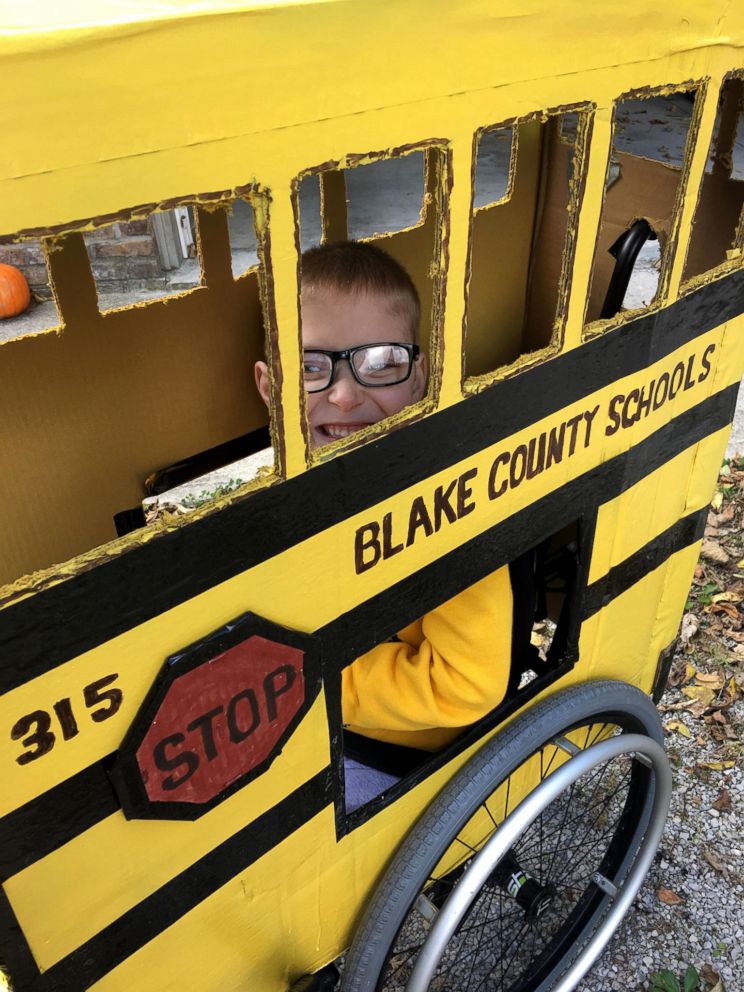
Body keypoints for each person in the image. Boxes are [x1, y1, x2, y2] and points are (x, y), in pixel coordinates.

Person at [255, 241, 512, 809]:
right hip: (307, 718)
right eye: (309, 367)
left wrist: (308, 684)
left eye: (381, 363)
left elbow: (466, 684)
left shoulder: (449, 505)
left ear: (418, 377)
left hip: (398, 751)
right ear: (270, 387)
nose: (345, 397)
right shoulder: (292, 485)